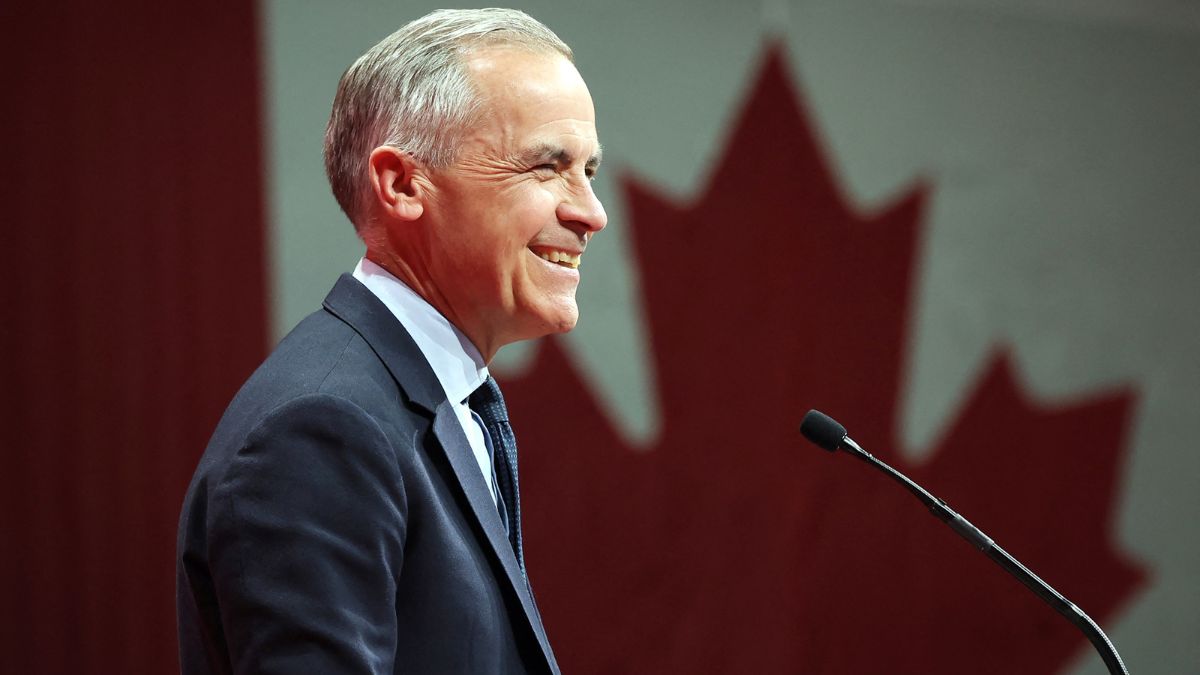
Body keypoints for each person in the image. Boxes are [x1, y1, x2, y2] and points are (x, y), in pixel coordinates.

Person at [176, 8, 606, 674]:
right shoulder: (322, 429)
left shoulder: (440, 399)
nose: (590, 212)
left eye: (589, 171)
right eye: (547, 169)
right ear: (404, 184)